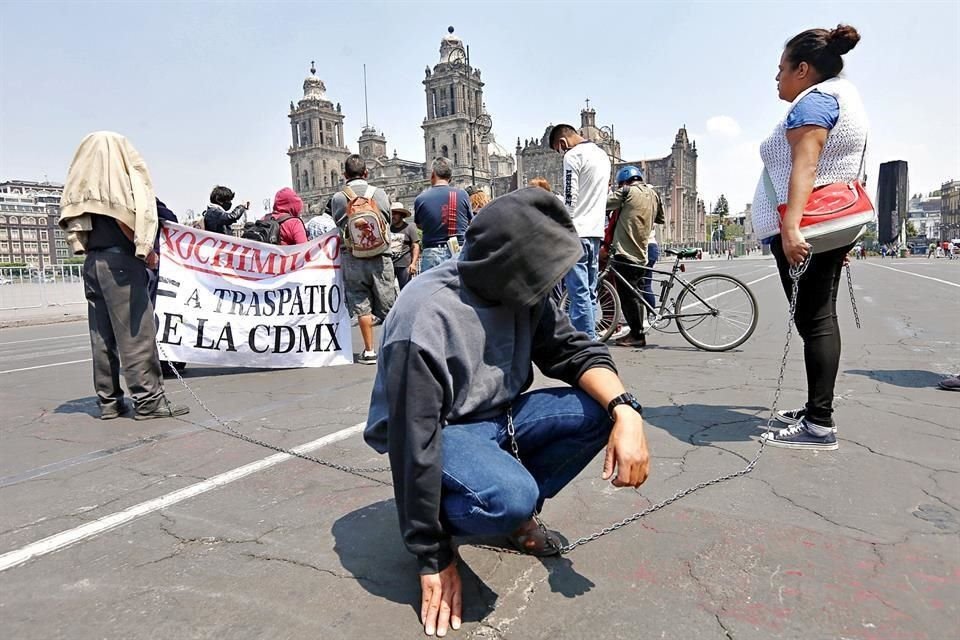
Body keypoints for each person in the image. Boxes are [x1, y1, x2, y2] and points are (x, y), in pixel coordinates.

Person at [364, 188, 650, 637]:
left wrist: (626, 411)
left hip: (498, 414)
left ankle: (504, 495)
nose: (552, 286)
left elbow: (574, 351)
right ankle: (484, 508)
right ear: (507, 264)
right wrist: (432, 554)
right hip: (444, 429)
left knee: (600, 412)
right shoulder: (425, 320)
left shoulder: (523, 289)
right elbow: (412, 444)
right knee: (508, 498)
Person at [750, 24, 868, 450]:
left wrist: (793, 228)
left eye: (781, 70)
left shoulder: (815, 101)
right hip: (826, 228)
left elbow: (807, 166)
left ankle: (819, 423)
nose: (777, 79)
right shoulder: (844, 95)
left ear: (803, 69)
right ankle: (815, 409)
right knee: (818, 320)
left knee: (815, 322)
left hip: (809, 229)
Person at [58, 131, 189, 421]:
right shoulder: (115, 184)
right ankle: (149, 400)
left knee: (101, 336)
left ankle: (109, 402)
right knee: (136, 334)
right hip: (120, 260)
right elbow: (123, 216)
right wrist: (147, 251)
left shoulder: (85, 187)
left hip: (93, 261)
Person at [330, 155, 396, 364]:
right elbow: (386, 220)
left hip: (353, 257)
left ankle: (368, 351)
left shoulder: (339, 197)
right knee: (389, 303)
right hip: (380, 255)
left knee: (361, 302)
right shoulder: (380, 194)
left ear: (344, 175)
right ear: (366, 173)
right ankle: (393, 347)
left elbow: (339, 224)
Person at [550, 123, 612, 340]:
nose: (562, 154)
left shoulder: (572, 156)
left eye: (560, 150)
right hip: (595, 233)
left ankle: (585, 344)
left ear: (563, 143)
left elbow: (570, 198)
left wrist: (560, 224)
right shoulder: (602, 155)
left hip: (576, 233)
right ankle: (591, 337)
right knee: (590, 291)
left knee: (579, 294)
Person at [605, 165, 662, 348]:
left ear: (623, 182)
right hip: (643, 252)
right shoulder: (654, 195)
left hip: (625, 252)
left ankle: (637, 335)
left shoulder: (626, 192)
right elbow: (660, 218)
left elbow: (603, 204)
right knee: (637, 293)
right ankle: (636, 332)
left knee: (628, 296)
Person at [414, 157, 472, 272]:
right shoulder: (462, 195)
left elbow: (419, 225)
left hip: (432, 253)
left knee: (431, 290)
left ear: (433, 174)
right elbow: (470, 221)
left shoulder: (421, 199)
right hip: (458, 251)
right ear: (450, 177)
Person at [150, 198, 186, 375]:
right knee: (161, 315)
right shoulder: (147, 202)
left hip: (131, 268)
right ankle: (165, 361)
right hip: (152, 266)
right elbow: (171, 218)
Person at [389, 201, 420, 291]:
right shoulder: (387, 228)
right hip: (389, 264)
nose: (393, 216)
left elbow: (415, 245)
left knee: (405, 289)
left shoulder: (409, 228)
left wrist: (413, 264)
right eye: (391, 213)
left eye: (395, 213)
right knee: (388, 291)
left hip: (404, 265)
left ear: (401, 215)